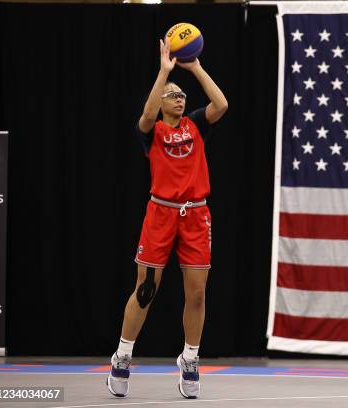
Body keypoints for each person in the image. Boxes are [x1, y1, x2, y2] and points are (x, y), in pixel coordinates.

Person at [106, 37, 228, 400]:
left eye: (182, 94)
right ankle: (123, 356)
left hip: (196, 215)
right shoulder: (153, 131)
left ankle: (190, 360)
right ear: (160, 101)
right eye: (173, 94)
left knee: (198, 295)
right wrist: (164, 72)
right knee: (145, 291)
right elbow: (144, 115)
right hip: (161, 213)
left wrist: (194, 68)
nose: (181, 97)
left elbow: (221, 103)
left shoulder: (195, 125)